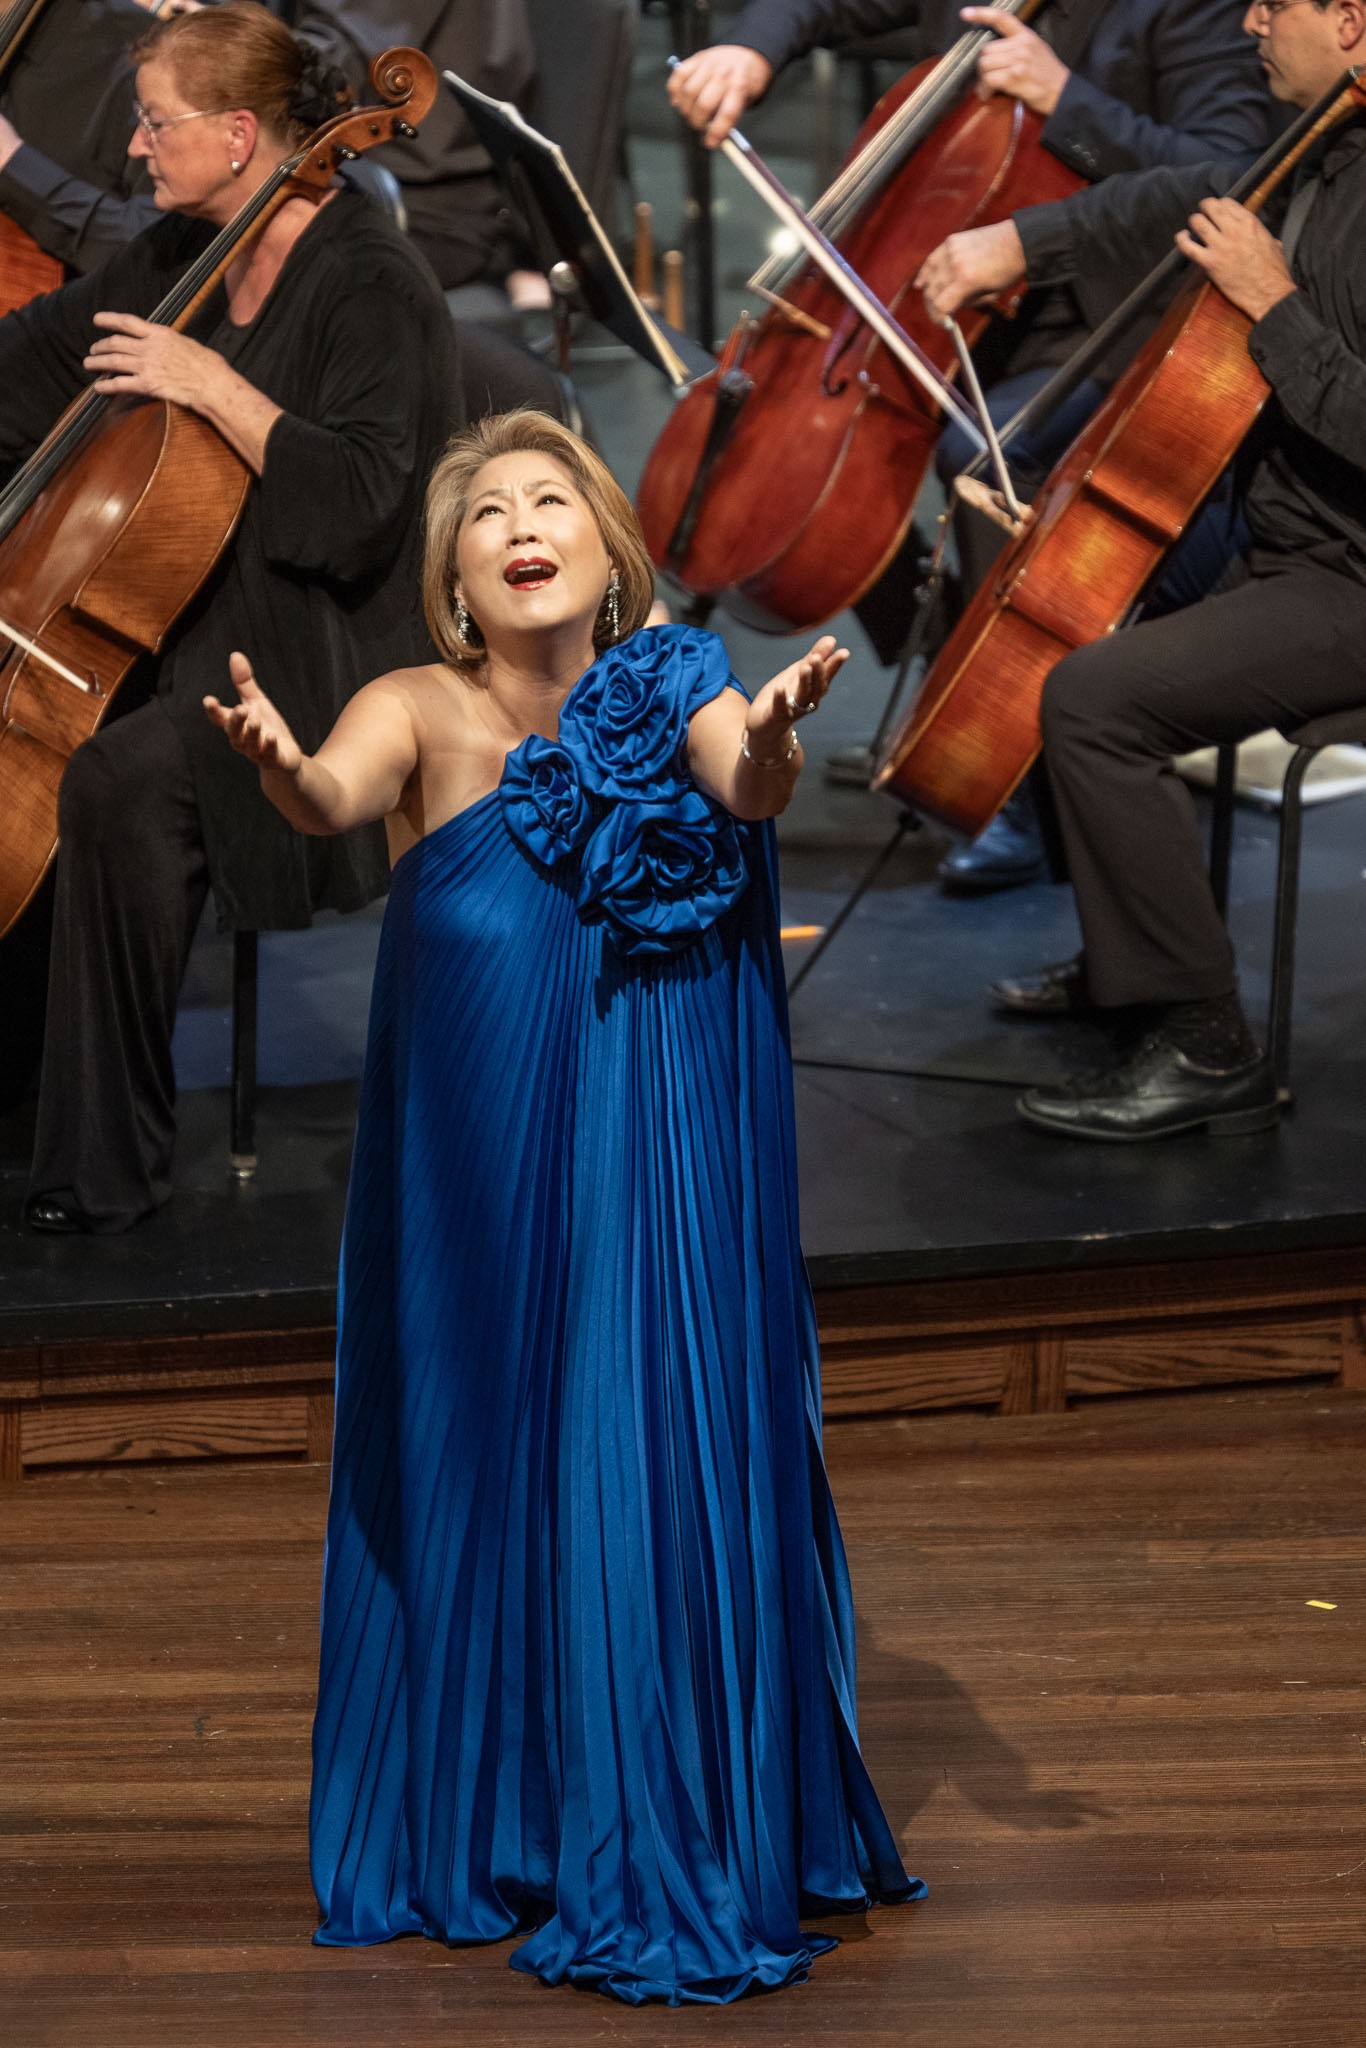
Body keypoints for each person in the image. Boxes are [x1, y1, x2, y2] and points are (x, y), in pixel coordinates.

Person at [205, 408, 921, 2002]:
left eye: (550, 500)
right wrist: (281, 766)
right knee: (486, 1434)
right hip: (472, 1157)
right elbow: (331, 796)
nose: (520, 524)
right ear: (456, 582)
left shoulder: (673, 680)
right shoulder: (412, 704)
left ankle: (639, 1800)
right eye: (485, 514)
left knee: (628, 1425)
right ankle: (506, 1813)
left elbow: (740, 782)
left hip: (642, 1149)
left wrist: (778, 735)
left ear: (608, 552)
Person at [0, 0, 462, 1228]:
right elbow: (33, 362)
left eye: (156, 123)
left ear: (240, 133)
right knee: (44, 749)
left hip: (322, 648)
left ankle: (103, 1166)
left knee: (112, 781)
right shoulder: (181, 254)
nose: (134, 147)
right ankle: (17, 1079)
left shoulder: (371, 280)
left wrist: (216, 389)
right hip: (192, 616)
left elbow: (363, 508)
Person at [669, 0, 1273, 886]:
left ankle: (1009, 777)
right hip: (936, 297)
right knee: (826, 468)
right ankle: (944, 680)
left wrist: (1067, 99)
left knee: (984, 458)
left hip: (1112, 315)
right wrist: (752, 52)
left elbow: (1234, 174)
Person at [912, 0, 1366, 1139]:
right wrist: (1026, 241)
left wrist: (1273, 304)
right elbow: (1181, 196)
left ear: (1351, 22)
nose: (1252, 19)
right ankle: (1134, 968)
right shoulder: (1323, 139)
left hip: (1352, 575)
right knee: (1077, 615)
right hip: (1285, 533)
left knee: (1095, 701)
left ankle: (1204, 1039)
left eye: (1278, 3)